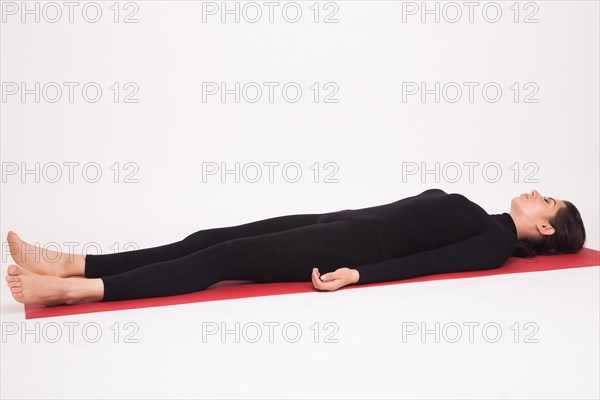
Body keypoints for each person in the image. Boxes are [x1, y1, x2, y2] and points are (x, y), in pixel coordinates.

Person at [5, 188, 586, 306]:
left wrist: (357, 275)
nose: (537, 193)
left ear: (544, 230)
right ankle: (78, 260)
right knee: (210, 237)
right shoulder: (485, 216)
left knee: (218, 263)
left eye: (548, 202)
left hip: (351, 244)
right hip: (339, 220)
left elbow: (428, 263)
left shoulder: (492, 241)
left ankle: (76, 290)